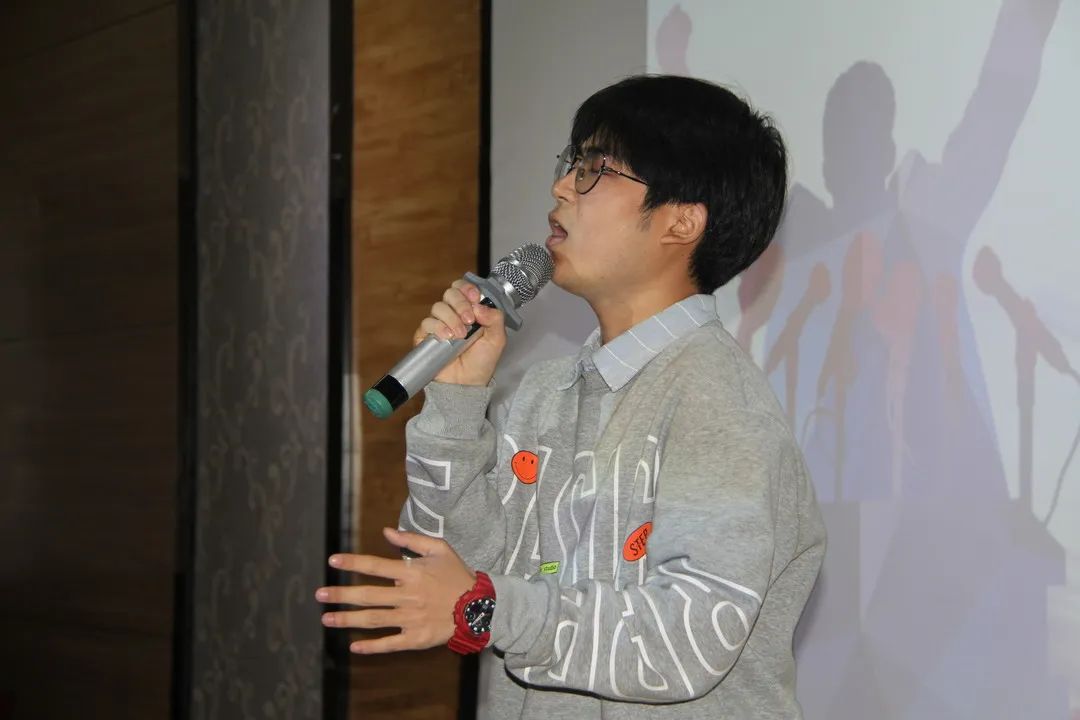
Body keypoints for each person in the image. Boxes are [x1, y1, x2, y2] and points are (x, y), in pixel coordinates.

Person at [316, 74, 826, 719]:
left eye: (594, 169)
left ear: (681, 221)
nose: (561, 186)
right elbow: (454, 567)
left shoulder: (720, 404)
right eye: (570, 163)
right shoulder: (545, 392)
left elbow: (684, 641)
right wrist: (455, 404)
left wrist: (485, 605)